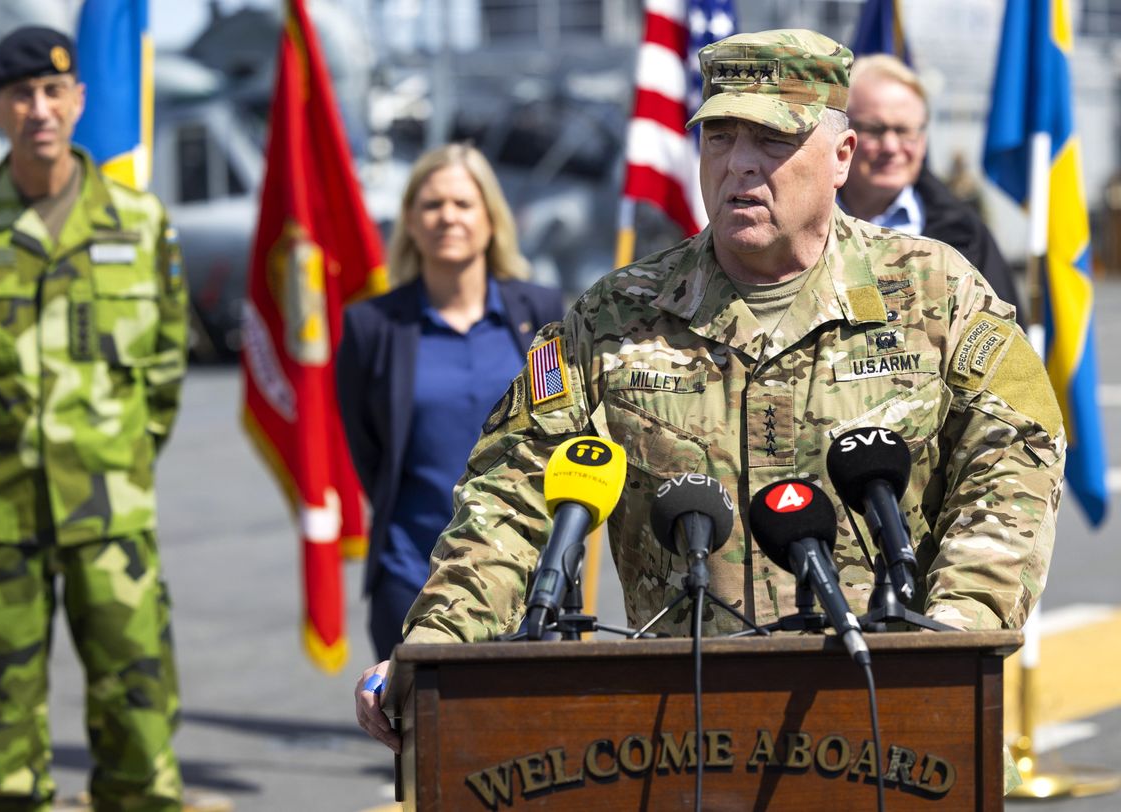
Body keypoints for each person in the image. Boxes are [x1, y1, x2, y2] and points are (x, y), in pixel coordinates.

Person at [355, 30, 1064, 755]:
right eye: (720, 138)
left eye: (772, 139)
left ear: (841, 158)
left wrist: (954, 637)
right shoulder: (616, 317)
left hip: (887, 717)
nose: (740, 165)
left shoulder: (935, 294)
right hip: (684, 737)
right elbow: (513, 491)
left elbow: (1014, 458)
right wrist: (435, 644)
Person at [0, 27, 187, 811]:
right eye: (21, 95)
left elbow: (164, 375)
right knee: (1, 746)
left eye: (53, 92)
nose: (39, 109)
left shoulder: (141, 226)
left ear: (77, 101)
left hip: (113, 520)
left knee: (139, 736)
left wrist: (121, 461)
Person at [336, 143, 564, 662]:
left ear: (489, 217)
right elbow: (370, 455)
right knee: (424, 742)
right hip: (410, 579)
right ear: (411, 221)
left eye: (463, 204)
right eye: (432, 204)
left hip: (527, 582)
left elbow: (556, 428)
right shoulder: (372, 328)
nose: (448, 218)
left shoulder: (539, 314)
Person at [839, 53, 1024, 324]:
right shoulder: (798, 226)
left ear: (923, 139)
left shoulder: (966, 236)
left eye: (904, 131)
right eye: (874, 130)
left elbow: (1006, 345)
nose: (891, 147)